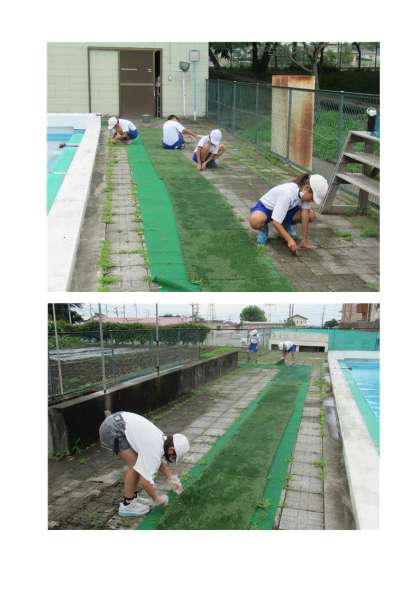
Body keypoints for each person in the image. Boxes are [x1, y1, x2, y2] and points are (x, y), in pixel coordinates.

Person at [99, 411, 190, 518]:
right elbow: (145, 482)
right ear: (171, 450)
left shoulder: (161, 439)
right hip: (113, 429)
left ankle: (132, 498)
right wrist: (157, 499)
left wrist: (171, 478)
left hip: (117, 422)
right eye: (174, 456)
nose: (172, 459)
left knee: (139, 463)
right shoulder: (154, 448)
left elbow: (156, 460)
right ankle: (127, 506)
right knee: (135, 466)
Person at [249, 173, 328, 251]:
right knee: (255, 220)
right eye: (312, 198)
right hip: (266, 209)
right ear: (307, 188)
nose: (312, 201)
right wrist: (289, 240)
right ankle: (264, 230)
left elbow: (305, 215)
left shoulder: (303, 192)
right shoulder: (288, 194)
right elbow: (276, 222)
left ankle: (285, 225)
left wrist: (304, 240)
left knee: (311, 215)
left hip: (285, 210)